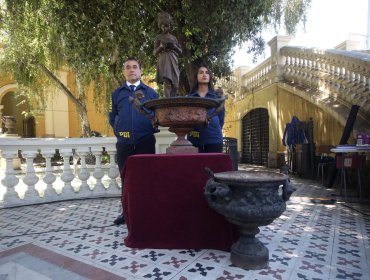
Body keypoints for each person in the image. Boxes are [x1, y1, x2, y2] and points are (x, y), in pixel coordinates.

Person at [109, 57, 159, 225]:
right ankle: (126, 212)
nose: (131, 70)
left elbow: (156, 115)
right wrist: (118, 130)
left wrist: (149, 127)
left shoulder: (151, 93)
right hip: (124, 143)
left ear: (140, 71)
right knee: (126, 179)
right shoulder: (117, 93)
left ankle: (146, 212)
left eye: (135, 67)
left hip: (145, 141)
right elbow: (113, 115)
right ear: (124, 71)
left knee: (145, 177)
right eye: (128, 67)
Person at [187, 65, 225, 153]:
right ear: (196, 77)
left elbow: (221, 119)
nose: (204, 74)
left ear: (210, 77)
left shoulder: (217, 97)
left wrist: (213, 128)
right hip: (194, 139)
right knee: (195, 166)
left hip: (214, 139)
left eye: (207, 72)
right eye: (201, 72)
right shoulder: (189, 97)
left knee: (213, 166)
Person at [153, 12, 182, 97]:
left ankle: (172, 101)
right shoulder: (158, 37)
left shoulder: (174, 38)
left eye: (167, 25)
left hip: (173, 58)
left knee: (175, 84)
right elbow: (154, 52)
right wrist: (161, 47)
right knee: (167, 82)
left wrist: (174, 47)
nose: (166, 28)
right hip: (164, 58)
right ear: (160, 26)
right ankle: (167, 103)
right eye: (163, 26)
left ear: (170, 25)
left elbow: (180, 51)